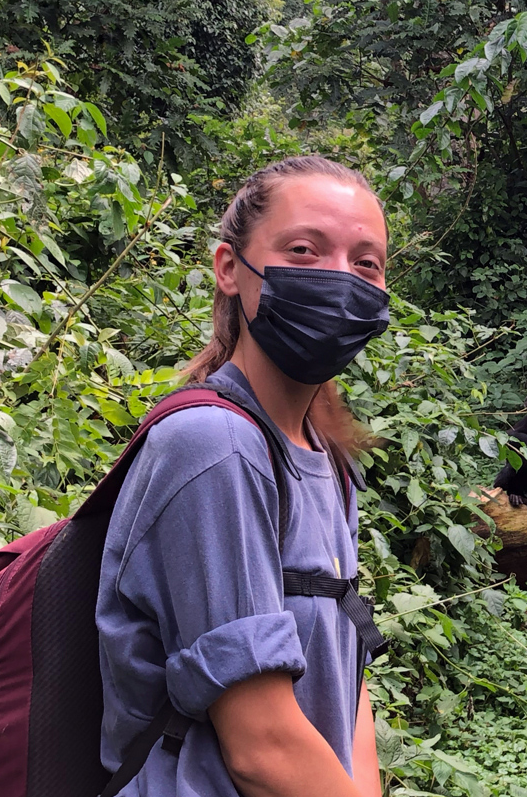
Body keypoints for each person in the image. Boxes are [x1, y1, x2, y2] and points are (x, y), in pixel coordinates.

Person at [96, 156, 391, 797]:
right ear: (230, 268)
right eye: (305, 250)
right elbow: (262, 747)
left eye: (366, 263)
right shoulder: (216, 446)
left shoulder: (325, 453)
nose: (341, 280)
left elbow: (348, 669)